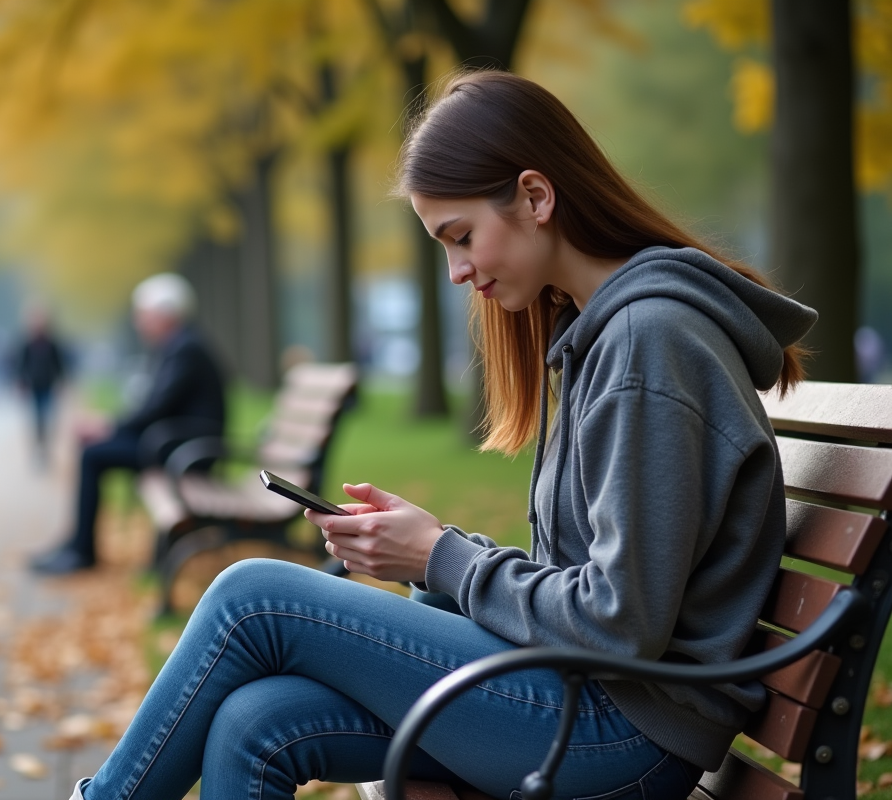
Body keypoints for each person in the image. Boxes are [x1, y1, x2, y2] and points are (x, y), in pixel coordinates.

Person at [67, 71, 816, 800]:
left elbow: (617, 625)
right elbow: (589, 588)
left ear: (534, 195)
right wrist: (434, 548)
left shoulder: (650, 343)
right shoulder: (605, 335)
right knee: (253, 721)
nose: (457, 271)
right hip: (582, 698)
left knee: (251, 596)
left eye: (461, 237)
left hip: (619, 735)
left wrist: (440, 558)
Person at [30, 273, 226, 575]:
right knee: (93, 449)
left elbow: (155, 409)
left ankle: (82, 550)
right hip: (174, 443)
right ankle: (76, 544)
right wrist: (109, 425)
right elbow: (154, 406)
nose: (139, 323)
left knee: (93, 453)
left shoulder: (185, 350)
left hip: (185, 451)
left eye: (144, 315)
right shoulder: (179, 346)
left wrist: (108, 426)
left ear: (166, 315)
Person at [13, 308, 67, 466]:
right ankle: (38, 449)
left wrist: (62, 382)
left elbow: (59, 364)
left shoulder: (51, 343)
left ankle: (46, 450)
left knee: (48, 418)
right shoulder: (28, 344)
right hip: (34, 387)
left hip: (48, 386)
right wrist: (21, 382)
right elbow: (21, 365)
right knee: (37, 420)